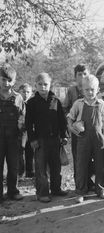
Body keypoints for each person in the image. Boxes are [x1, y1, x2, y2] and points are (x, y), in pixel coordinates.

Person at [25, 73, 68, 203]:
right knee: (41, 168)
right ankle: (42, 193)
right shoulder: (31, 103)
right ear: (35, 86)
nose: (43, 87)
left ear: (50, 85)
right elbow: (28, 123)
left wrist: (63, 135)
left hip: (55, 139)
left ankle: (56, 189)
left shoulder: (56, 100)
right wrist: (32, 139)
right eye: (40, 84)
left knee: (56, 167)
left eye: (46, 84)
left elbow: (62, 120)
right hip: (40, 141)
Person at [67, 74, 104, 203]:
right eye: (87, 89)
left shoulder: (101, 103)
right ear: (82, 90)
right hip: (83, 139)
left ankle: (101, 189)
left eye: (92, 89)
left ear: (97, 89)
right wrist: (71, 127)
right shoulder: (78, 104)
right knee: (81, 165)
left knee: (100, 165)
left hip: (98, 139)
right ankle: (81, 191)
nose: (90, 92)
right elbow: (70, 117)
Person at [63, 64, 95, 191]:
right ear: (75, 76)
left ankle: (91, 182)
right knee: (78, 158)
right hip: (77, 131)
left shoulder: (93, 88)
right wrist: (70, 124)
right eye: (79, 74)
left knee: (92, 157)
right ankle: (80, 184)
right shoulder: (72, 91)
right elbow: (65, 108)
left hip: (92, 130)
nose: (82, 77)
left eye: (85, 74)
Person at [0, 63, 25, 203]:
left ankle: (13, 191)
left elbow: (23, 117)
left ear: (14, 81)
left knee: (13, 165)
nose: (6, 83)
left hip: (14, 136)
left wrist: (22, 127)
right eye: (3, 79)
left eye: (9, 80)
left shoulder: (18, 98)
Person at [18, 83, 34, 178]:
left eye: (28, 92)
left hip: (30, 130)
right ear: (19, 92)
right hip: (20, 131)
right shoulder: (17, 102)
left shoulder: (31, 103)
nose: (26, 94)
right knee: (20, 151)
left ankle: (30, 171)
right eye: (23, 92)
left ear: (31, 93)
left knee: (30, 151)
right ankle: (20, 172)